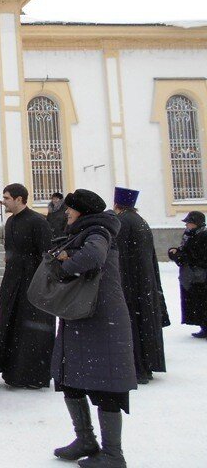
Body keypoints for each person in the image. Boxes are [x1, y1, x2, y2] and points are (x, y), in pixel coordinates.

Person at [51, 189, 137, 467]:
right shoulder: (87, 229)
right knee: (71, 379)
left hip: (102, 320)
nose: (66, 212)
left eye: (70, 208)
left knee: (105, 385)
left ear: (82, 211)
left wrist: (66, 265)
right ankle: (85, 439)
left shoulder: (97, 231)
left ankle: (113, 454)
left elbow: (93, 257)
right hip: (82, 316)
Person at [0, 183, 54, 389]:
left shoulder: (38, 222)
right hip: (13, 282)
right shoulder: (11, 221)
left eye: (6, 198)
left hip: (32, 284)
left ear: (19, 199)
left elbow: (46, 255)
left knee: (32, 330)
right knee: (11, 324)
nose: (3, 202)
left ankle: (32, 375)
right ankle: (12, 370)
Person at [113, 187, 169, 384]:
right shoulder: (140, 221)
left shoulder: (122, 222)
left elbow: (118, 253)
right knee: (144, 323)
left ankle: (137, 367)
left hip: (130, 282)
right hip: (144, 281)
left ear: (117, 204)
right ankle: (146, 364)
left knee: (132, 325)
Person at [169, 210, 207, 339]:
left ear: (197, 224)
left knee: (202, 302)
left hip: (200, 276)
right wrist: (176, 253)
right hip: (191, 276)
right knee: (196, 302)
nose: (187, 225)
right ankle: (203, 326)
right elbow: (186, 251)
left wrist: (182, 257)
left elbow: (199, 257)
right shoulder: (189, 235)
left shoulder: (203, 236)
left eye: (189, 223)